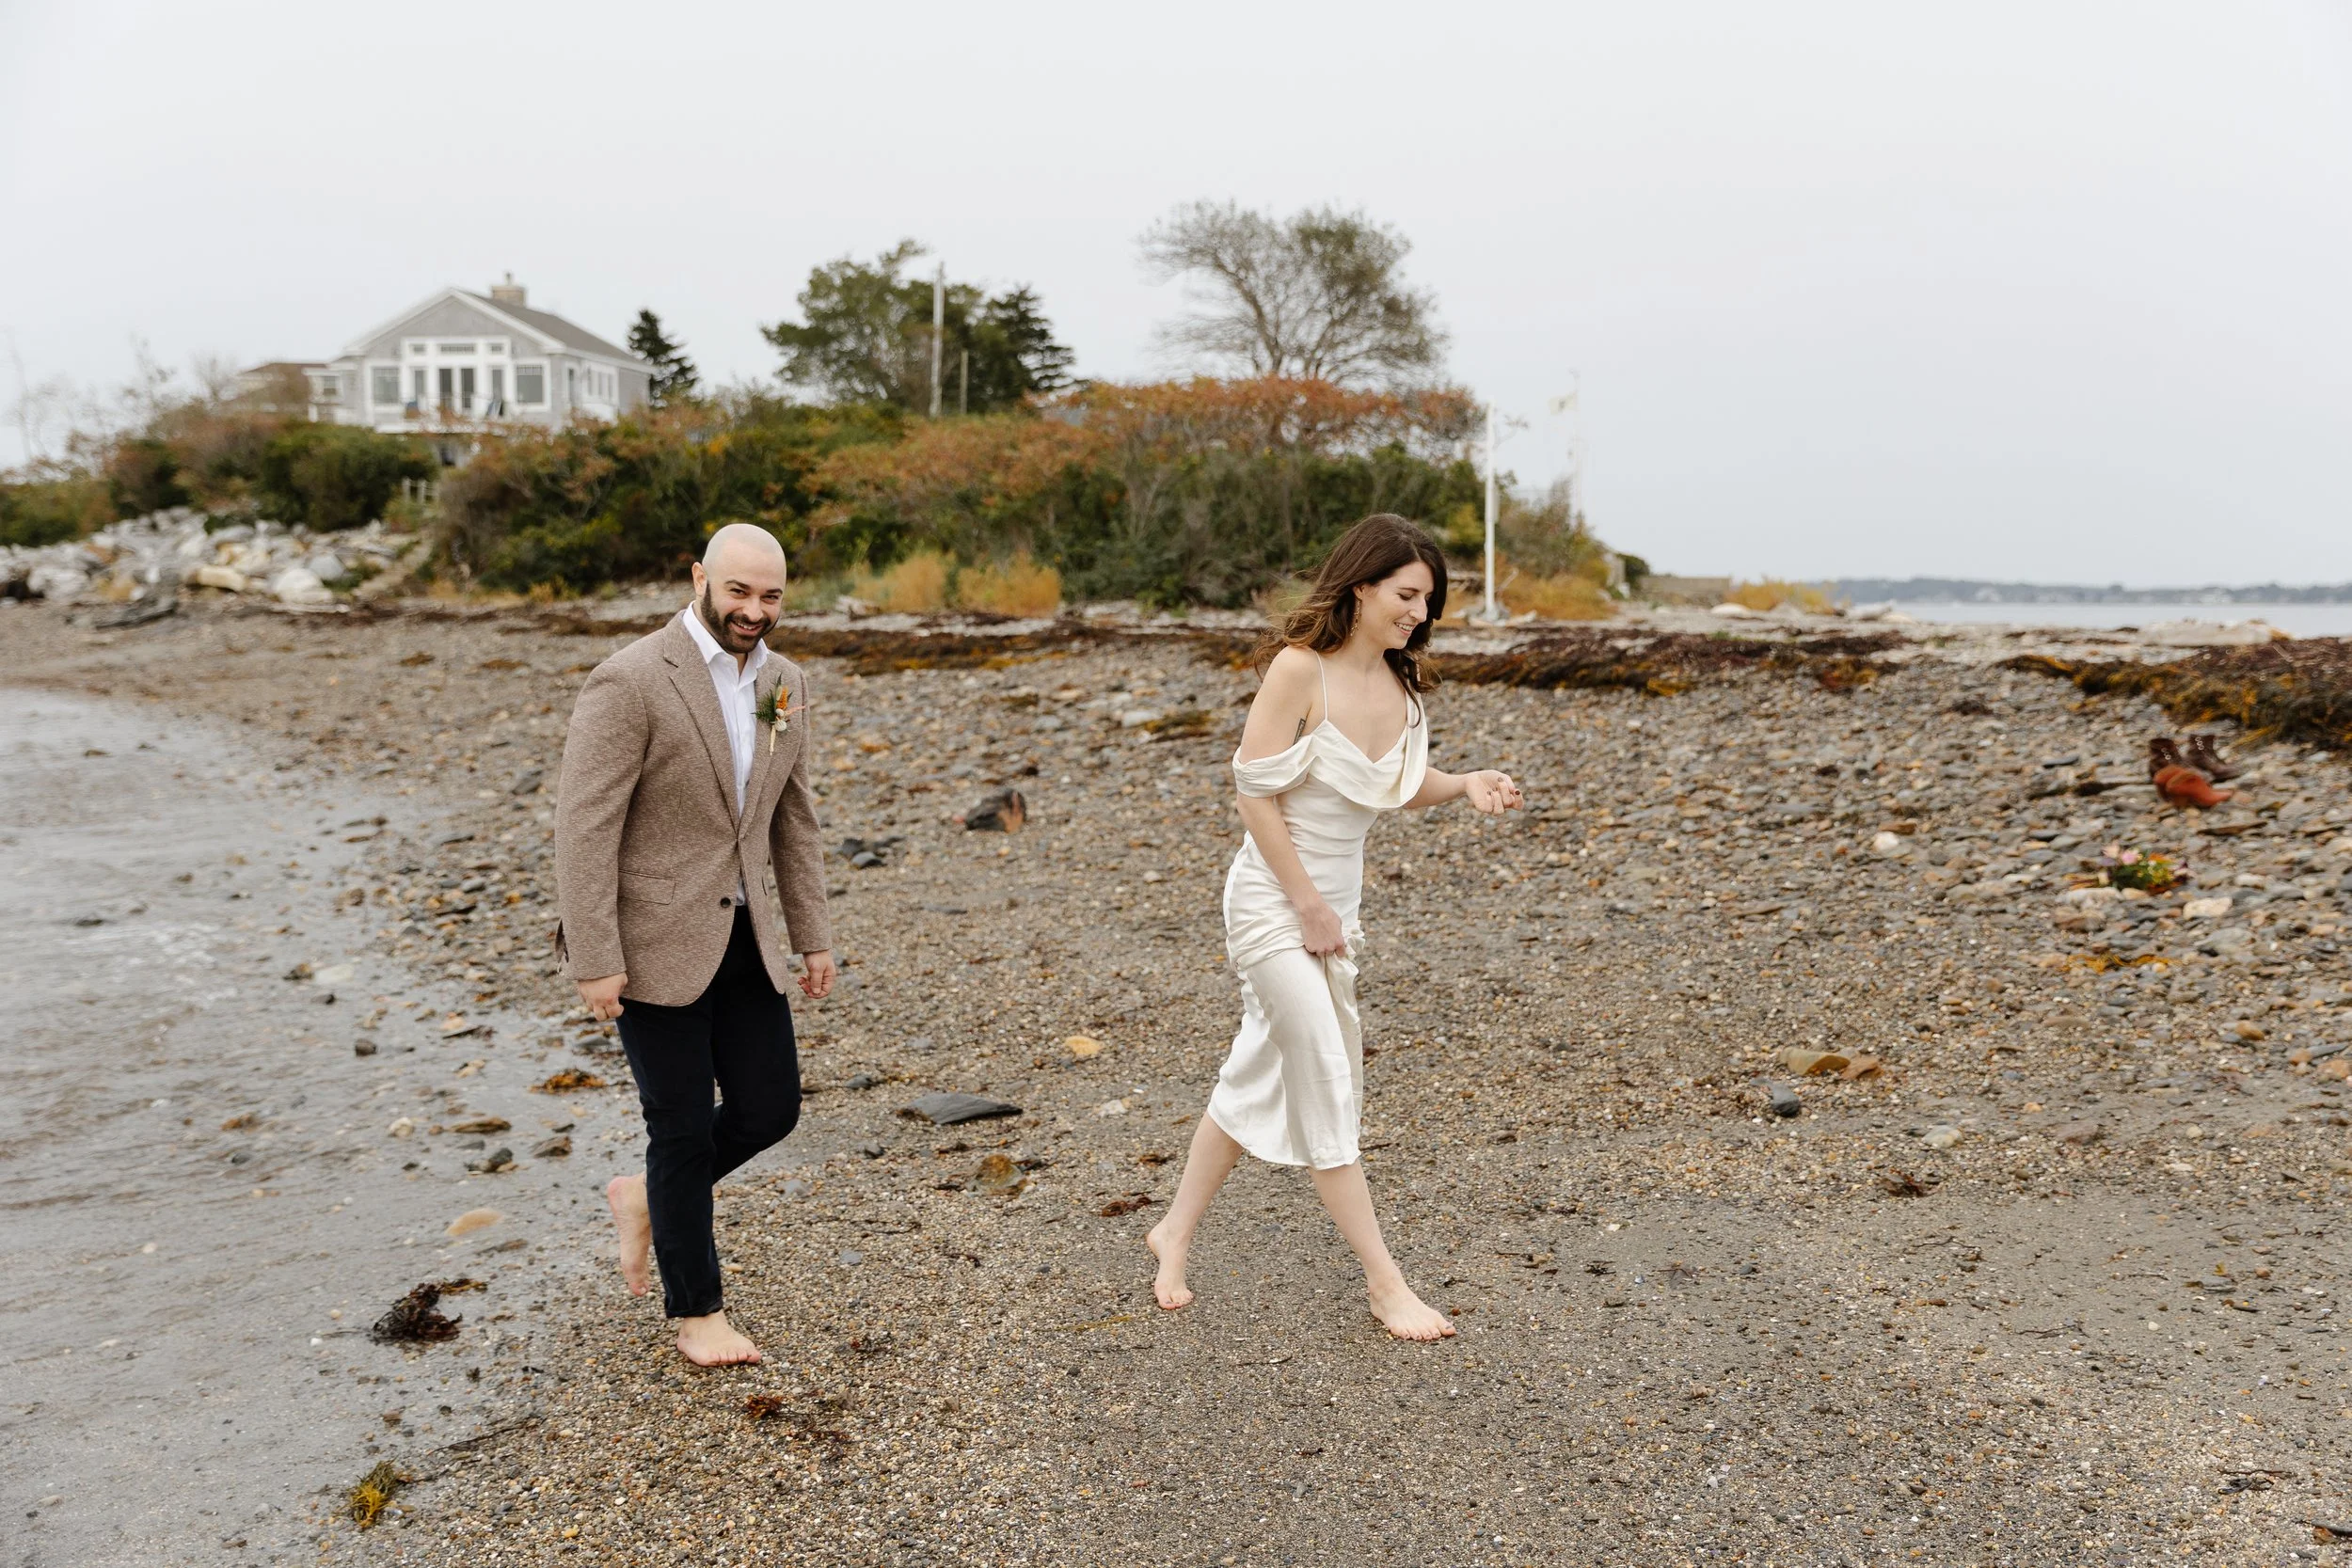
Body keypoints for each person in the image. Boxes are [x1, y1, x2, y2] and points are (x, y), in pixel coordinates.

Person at [1147, 514, 1524, 1341]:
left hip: (1335, 913)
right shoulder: (1298, 670)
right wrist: (1307, 904)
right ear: (1361, 583)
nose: (1418, 614)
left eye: (1427, 600)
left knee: (1256, 1069)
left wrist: (1463, 785)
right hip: (1273, 902)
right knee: (1324, 1068)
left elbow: (1391, 784)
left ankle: (1172, 1230)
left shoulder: (1400, 686)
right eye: (1406, 594)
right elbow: (1253, 793)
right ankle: (1386, 1283)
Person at [553, 523, 835, 1367]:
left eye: (772, 595)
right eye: (740, 591)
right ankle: (696, 1311)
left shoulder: (783, 682)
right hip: (648, 943)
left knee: (769, 1108)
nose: (755, 610)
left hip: (747, 937)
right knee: (678, 1128)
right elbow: (584, 827)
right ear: (699, 578)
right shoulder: (632, 679)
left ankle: (644, 1199)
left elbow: (793, 815)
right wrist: (594, 955)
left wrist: (812, 934)